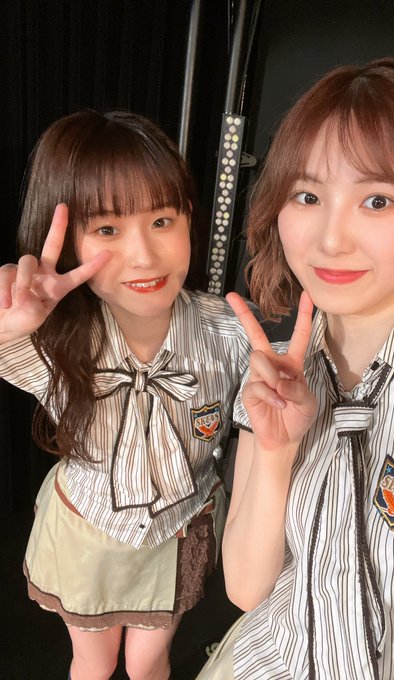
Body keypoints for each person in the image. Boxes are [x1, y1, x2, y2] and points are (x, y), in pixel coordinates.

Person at [196, 57, 394, 679]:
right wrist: (277, 450)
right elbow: (246, 589)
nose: (330, 240)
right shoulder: (274, 376)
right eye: (308, 196)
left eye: (377, 200)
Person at [0, 110, 251, 680]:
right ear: (68, 242)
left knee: (147, 661)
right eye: (108, 230)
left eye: (162, 220)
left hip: (178, 531)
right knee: (93, 662)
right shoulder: (55, 336)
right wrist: (12, 326)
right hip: (88, 533)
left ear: (190, 219)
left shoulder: (231, 331)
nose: (144, 256)